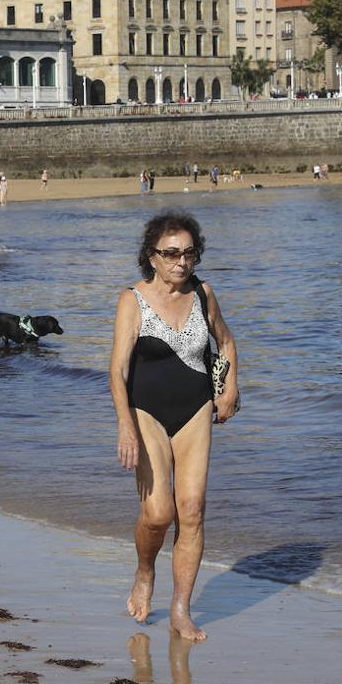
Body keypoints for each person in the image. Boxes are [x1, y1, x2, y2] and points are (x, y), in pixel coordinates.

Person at [108, 211, 239, 643]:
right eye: (171, 254)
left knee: (193, 510)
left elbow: (226, 340)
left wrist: (229, 388)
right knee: (159, 513)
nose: (181, 263)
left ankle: (181, 610)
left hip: (195, 411)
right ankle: (145, 572)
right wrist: (125, 426)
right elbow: (117, 370)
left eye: (189, 253)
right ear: (152, 256)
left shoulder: (203, 293)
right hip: (146, 412)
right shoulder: (133, 299)